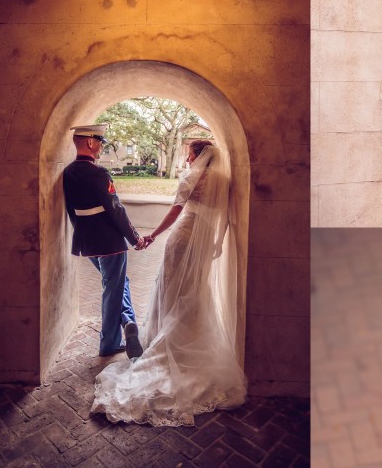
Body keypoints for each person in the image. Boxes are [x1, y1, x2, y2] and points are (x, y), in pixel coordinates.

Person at [91, 140, 247, 426]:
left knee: (172, 289)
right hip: (203, 242)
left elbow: (176, 210)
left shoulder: (192, 176)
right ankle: (188, 338)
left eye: (189, 154)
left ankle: (167, 339)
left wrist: (152, 235)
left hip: (183, 237)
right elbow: (227, 217)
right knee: (195, 291)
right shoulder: (224, 179)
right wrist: (216, 244)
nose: (187, 159)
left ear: (197, 156)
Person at [63, 124, 145, 359]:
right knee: (113, 289)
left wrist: (81, 238)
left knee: (118, 283)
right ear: (90, 142)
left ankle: (128, 321)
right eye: (100, 142)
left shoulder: (68, 172)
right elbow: (115, 210)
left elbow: (71, 210)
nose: (100, 147)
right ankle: (110, 342)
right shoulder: (99, 173)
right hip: (110, 243)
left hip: (87, 242)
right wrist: (135, 238)